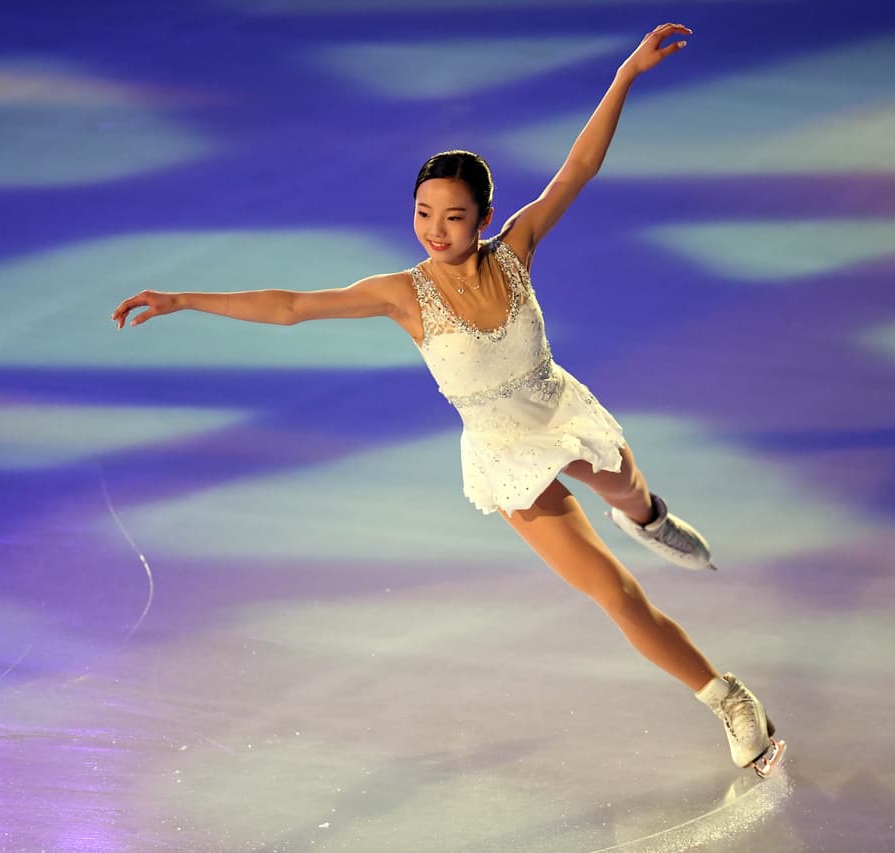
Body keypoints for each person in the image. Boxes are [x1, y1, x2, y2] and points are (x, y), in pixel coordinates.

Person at [112, 22, 786, 778]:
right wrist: (183, 298)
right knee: (614, 593)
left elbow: (578, 168)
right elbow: (292, 304)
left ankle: (648, 515)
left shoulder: (519, 249)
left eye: (454, 216)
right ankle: (729, 697)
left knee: (630, 495)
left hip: (563, 411)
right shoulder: (403, 295)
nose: (435, 230)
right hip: (507, 457)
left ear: (486, 219)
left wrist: (627, 72)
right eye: (424, 213)